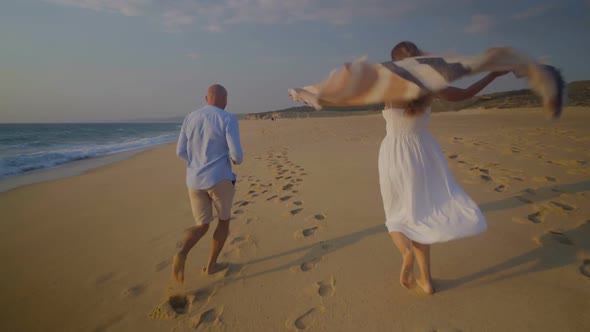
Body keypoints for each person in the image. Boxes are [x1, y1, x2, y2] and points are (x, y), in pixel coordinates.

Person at [381, 41, 508, 294]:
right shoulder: (431, 86)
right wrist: (492, 75)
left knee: (395, 213)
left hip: (395, 153)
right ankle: (426, 280)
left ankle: (406, 253)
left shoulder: (388, 85)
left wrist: (307, 95)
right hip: (425, 152)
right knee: (421, 215)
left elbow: (343, 94)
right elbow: (464, 95)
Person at [172, 84, 243, 283]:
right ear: (225, 99)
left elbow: (180, 151)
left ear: (206, 98)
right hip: (219, 178)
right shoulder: (227, 118)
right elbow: (237, 155)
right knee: (223, 220)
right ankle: (211, 265)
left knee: (202, 225)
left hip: (194, 180)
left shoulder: (190, 117)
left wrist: (197, 164)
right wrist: (234, 161)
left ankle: (182, 252)